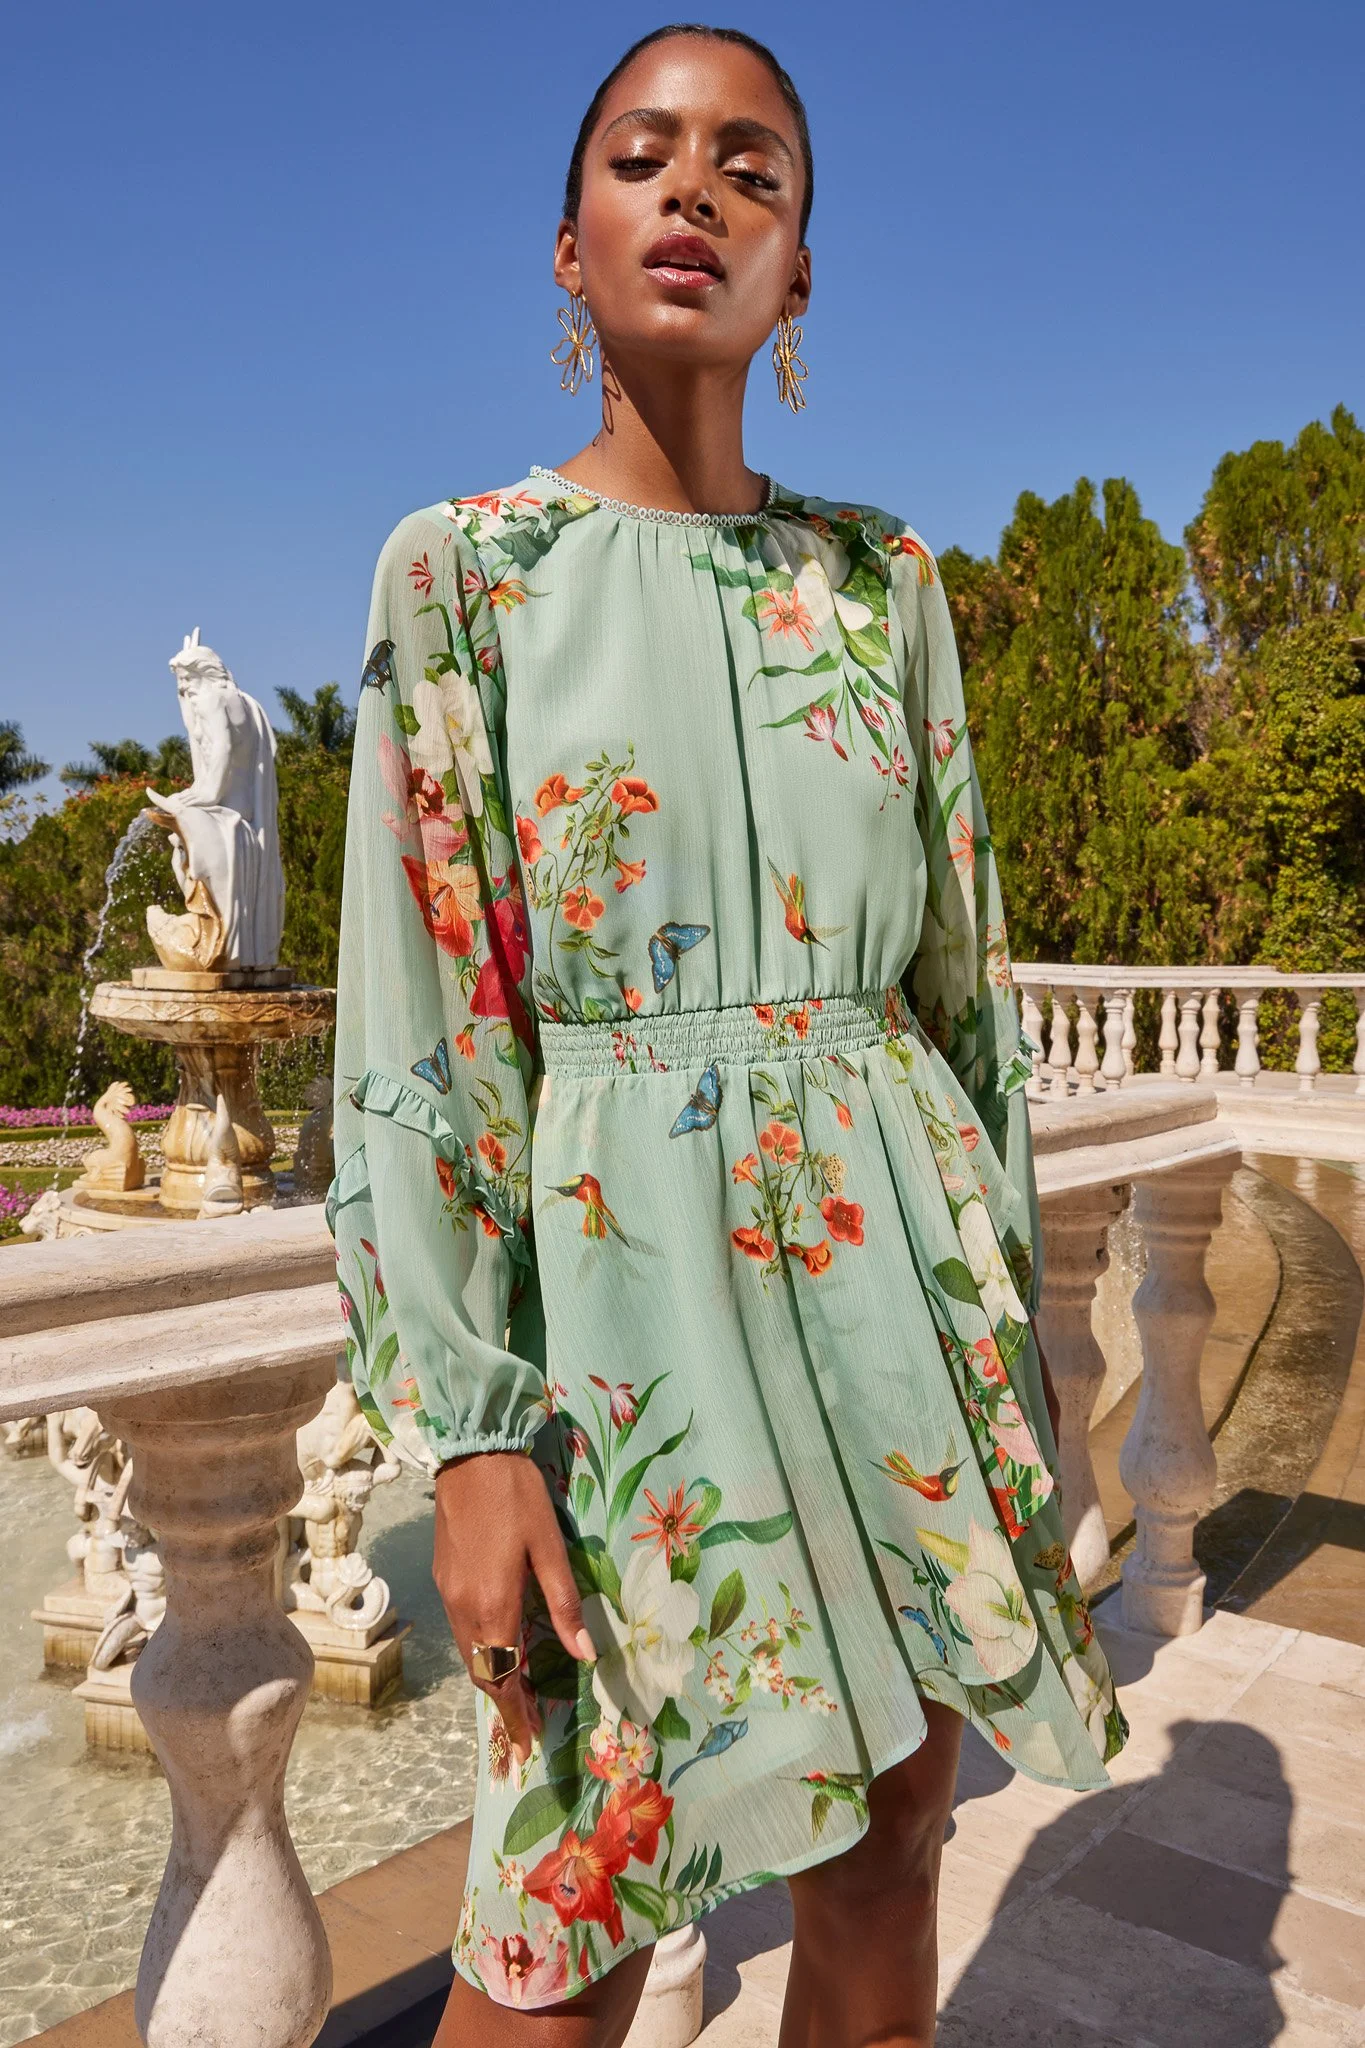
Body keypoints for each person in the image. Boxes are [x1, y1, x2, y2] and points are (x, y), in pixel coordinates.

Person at [329, 24, 1126, 2045]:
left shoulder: (883, 586)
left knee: (893, 1833)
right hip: (620, 1310)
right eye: (644, 156)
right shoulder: (464, 576)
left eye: (751, 167)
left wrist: (1011, 1327)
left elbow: (966, 1003)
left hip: (893, 1284)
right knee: (578, 1900)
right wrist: (473, 1433)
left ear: (799, 274)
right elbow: (422, 1029)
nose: (695, 189)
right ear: (570, 247)